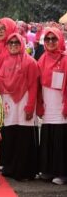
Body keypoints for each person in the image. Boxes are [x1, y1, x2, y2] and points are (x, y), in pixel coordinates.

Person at [0, 33, 39, 181]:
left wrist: (30, 106)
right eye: (10, 43)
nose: (13, 45)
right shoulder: (5, 60)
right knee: (10, 134)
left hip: (24, 101)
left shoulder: (30, 62)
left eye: (16, 42)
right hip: (8, 102)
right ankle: (10, 168)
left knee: (24, 135)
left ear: (22, 44)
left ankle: (24, 170)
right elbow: (0, 82)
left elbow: (34, 86)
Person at [37, 27, 67, 185]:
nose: (50, 42)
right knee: (48, 136)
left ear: (60, 40)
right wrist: (40, 105)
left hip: (61, 105)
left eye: (53, 39)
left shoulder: (65, 59)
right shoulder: (42, 59)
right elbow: (38, 85)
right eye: (47, 39)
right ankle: (48, 170)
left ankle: (63, 173)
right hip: (48, 106)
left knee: (61, 139)